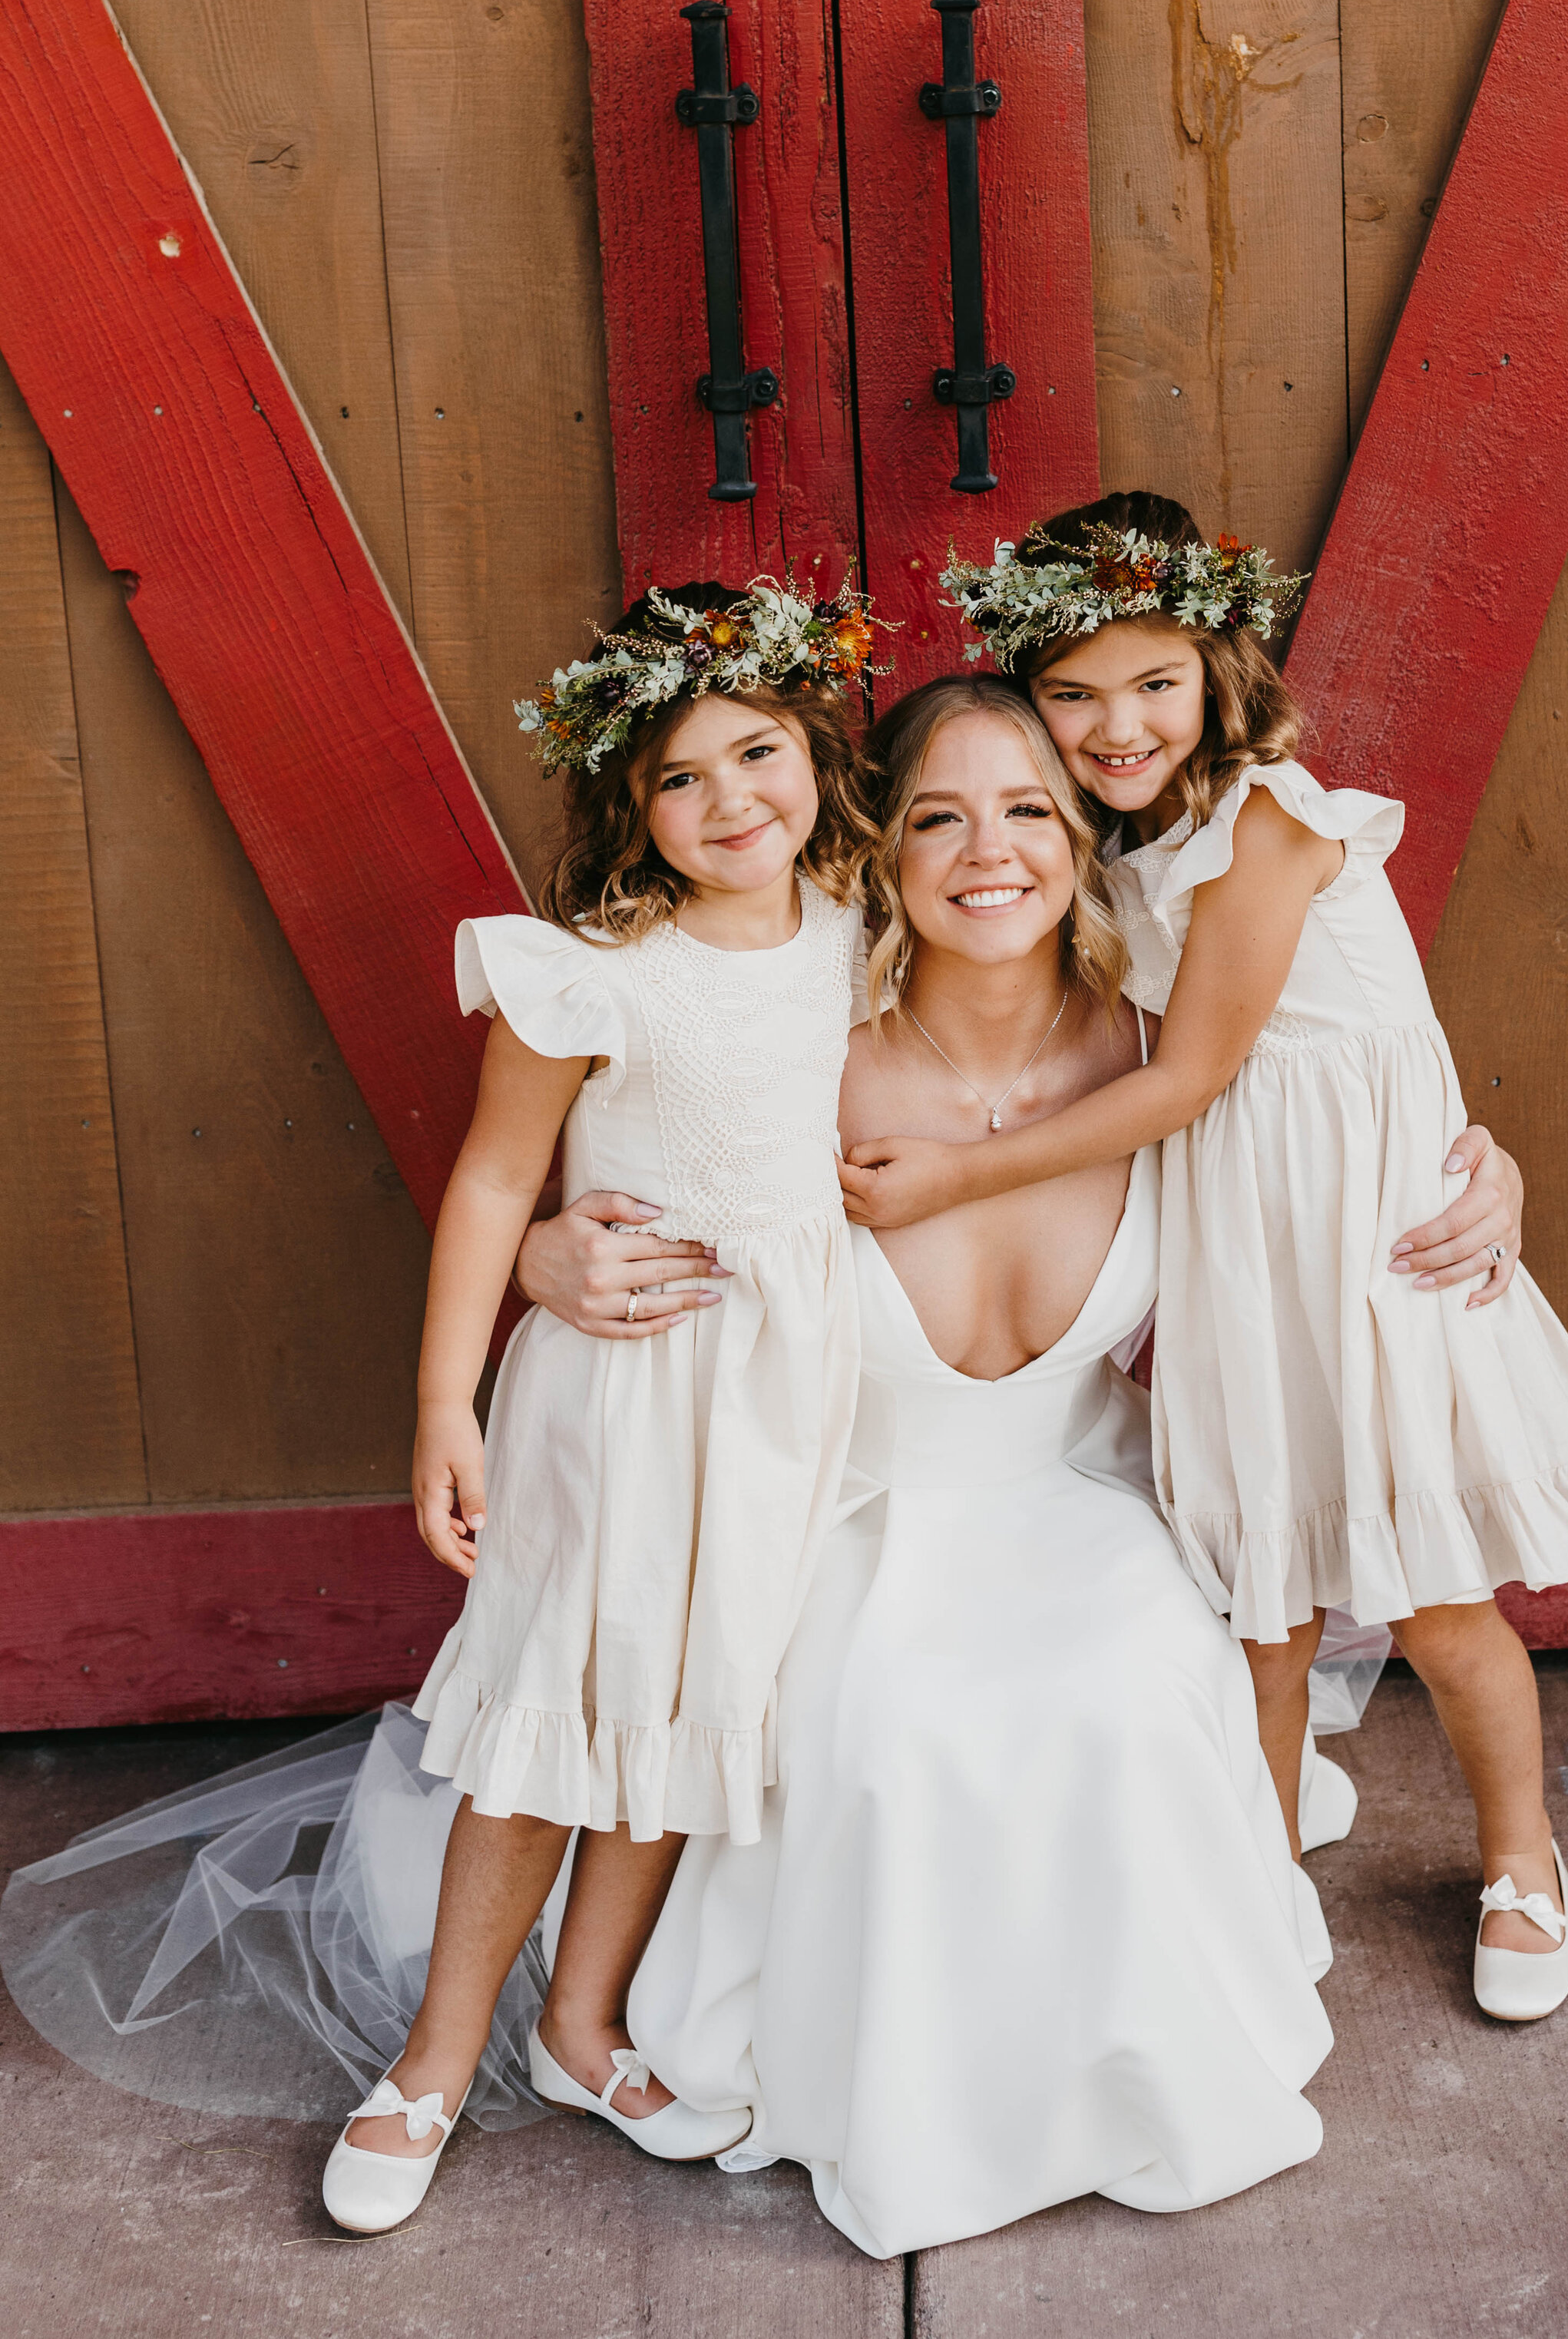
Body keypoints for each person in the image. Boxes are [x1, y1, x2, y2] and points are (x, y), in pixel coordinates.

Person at [837, 495, 1568, 2025]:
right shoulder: (1097, 841)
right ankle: (1255, 1865)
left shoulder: (1270, 821)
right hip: (1239, 1253)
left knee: (1431, 1601)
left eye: (1152, 682)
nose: (1113, 723)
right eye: (1072, 695)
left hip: (1361, 1250)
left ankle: (1520, 1854)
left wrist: (956, 1170)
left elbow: (1199, 1073)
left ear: (1220, 666)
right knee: (1257, 1604)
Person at [606, 674, 1337, 2258]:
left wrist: (1485, 1177)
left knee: (1137, 1694)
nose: (984, 849)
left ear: (1083, 839)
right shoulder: (797, 1055)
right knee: (894, 1727)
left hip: (1079, 1495)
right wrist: (542, 1258)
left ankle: (1135, 2072)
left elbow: (1370, 1117)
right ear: (877, 849)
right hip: (846, 1516)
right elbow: (590, 1178)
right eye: (935, 813)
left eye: (1027, 809)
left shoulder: (1166, 1040)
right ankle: (911, 2102)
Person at [322, 575, 882, 2231]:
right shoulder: (589, 973)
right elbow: (497, 1183)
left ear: (815, 751)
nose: (732, 803)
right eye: (682, 778)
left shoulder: (855, 928)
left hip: (783, 1386)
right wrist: (445, 1402)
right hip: (626, 1386)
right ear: (628, 808)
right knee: (559, 1714)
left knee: (688, 1705)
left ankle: (583, 2022)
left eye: (759, 753)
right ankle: (434, 2059)